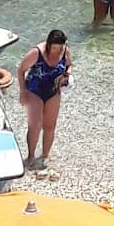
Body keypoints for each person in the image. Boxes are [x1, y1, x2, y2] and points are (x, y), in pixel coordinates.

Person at [17, 28, 71, 172]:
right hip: (34, 90)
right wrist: (22, 91)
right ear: (48, 44)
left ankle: (45, 155)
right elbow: (21, 70)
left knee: (50, 125)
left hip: (53, 91)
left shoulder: (65, 51)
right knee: (35, 125)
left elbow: (69, 65)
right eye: (54, 48)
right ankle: (30, 157)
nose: (57, 51)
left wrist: (68, 74)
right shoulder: (36, 53)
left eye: (60, 48)